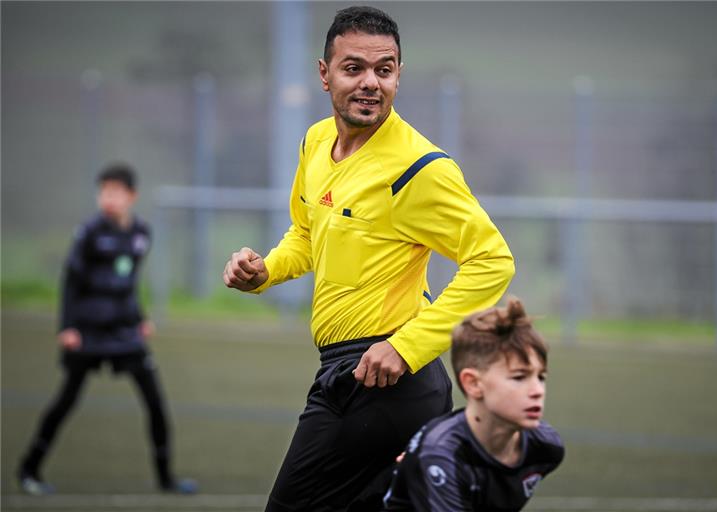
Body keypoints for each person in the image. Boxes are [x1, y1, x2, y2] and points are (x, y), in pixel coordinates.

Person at [223, 6, 514, 511]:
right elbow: (307, 232)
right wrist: (266, 271)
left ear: (399, 74)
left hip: (389, 382)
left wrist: (407, 346)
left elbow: (492, 261)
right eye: (353, 68)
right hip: (343, 373)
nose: (370, 83)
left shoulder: (420, 168)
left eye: (385, 69)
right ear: (324, 74)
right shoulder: (316, 142)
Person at [17, 163, 197, 496]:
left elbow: (128, 283)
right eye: (103, 192)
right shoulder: (89, 233)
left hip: (125, 333)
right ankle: (29, 469)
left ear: (132, 196)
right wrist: (67, 327)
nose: (108, 198)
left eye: (115, 192)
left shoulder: (142, 233)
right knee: (66, 400)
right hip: (87, 332)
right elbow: (70, 282)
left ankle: (166, 478)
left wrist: (140, 318)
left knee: (155, 401)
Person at [382, 297, 565, 511]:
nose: (537, 391)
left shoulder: (547, 446)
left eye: (541, 377)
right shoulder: (441, 453)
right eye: (518, 377)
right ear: (473, 383)